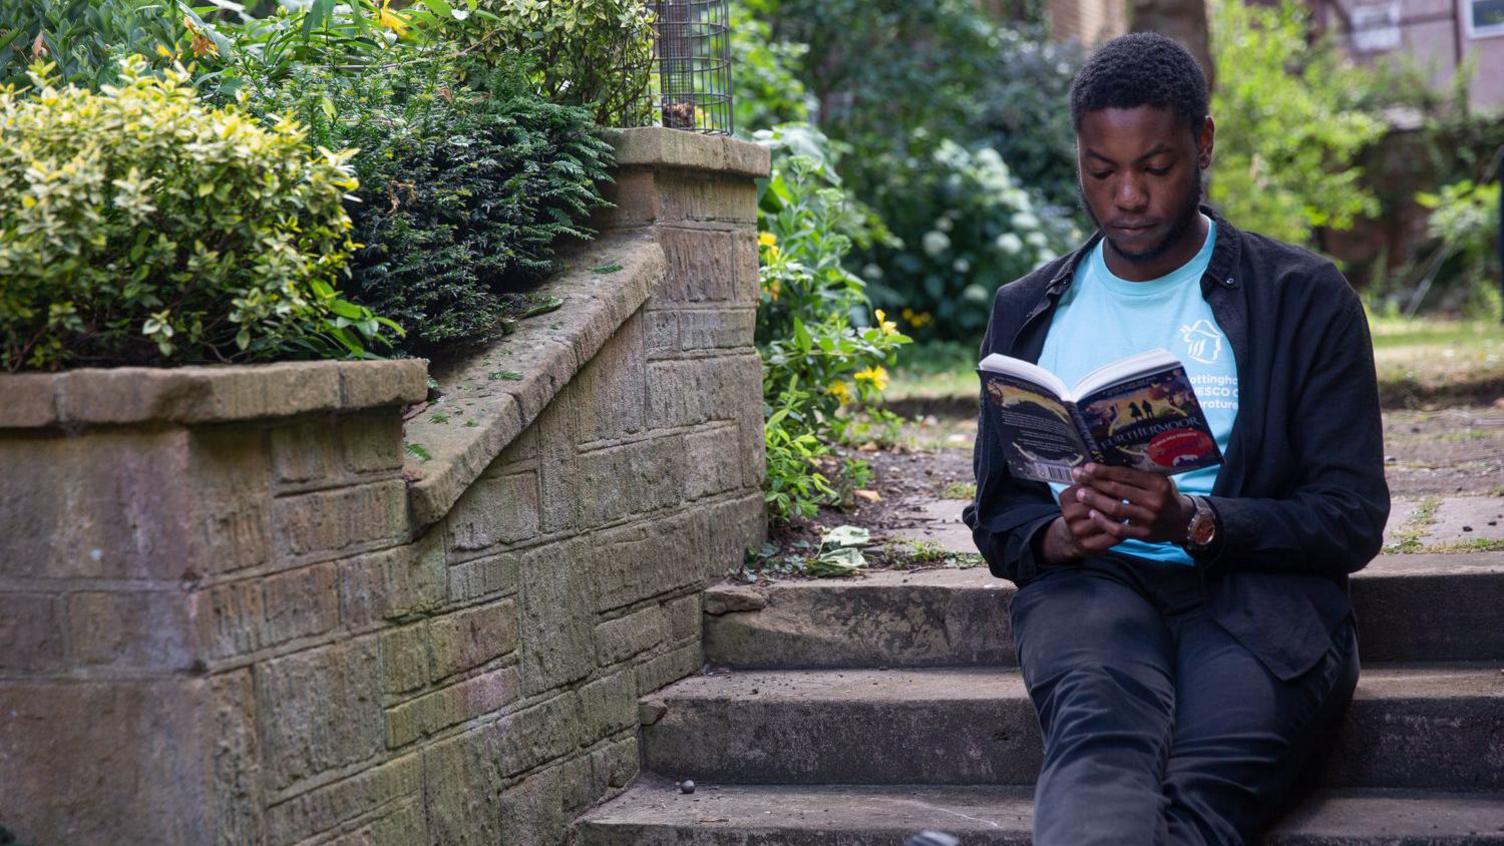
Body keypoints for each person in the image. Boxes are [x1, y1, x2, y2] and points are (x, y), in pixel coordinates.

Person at [961, 32, 1390, 846]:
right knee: (1099, 745)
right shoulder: (1028, 310)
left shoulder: (1303, 299)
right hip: (1093, 592)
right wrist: (1058, 533)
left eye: (1155, 168)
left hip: (1261, 606)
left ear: (1204, 144)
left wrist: (1198, 523)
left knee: (1201, 794)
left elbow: (1350, 516)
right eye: (1101, 169)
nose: (1127, 195)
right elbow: (1001, 515)